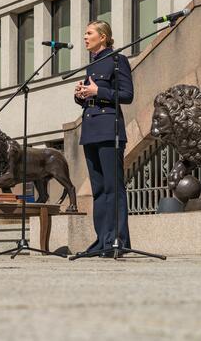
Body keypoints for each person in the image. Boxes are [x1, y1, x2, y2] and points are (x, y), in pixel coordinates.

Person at [73, 20, 133, 257]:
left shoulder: (118, 60)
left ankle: (117, 239)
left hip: (110, 129)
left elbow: (127, 95)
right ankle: (102, 240)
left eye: (89, 33)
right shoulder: (92, 64)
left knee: (113, 187)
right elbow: (91, 97)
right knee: (98, 189)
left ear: (103, 37)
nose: (85, 37)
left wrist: (99, 91)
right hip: (91, 130)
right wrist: (81, 95)